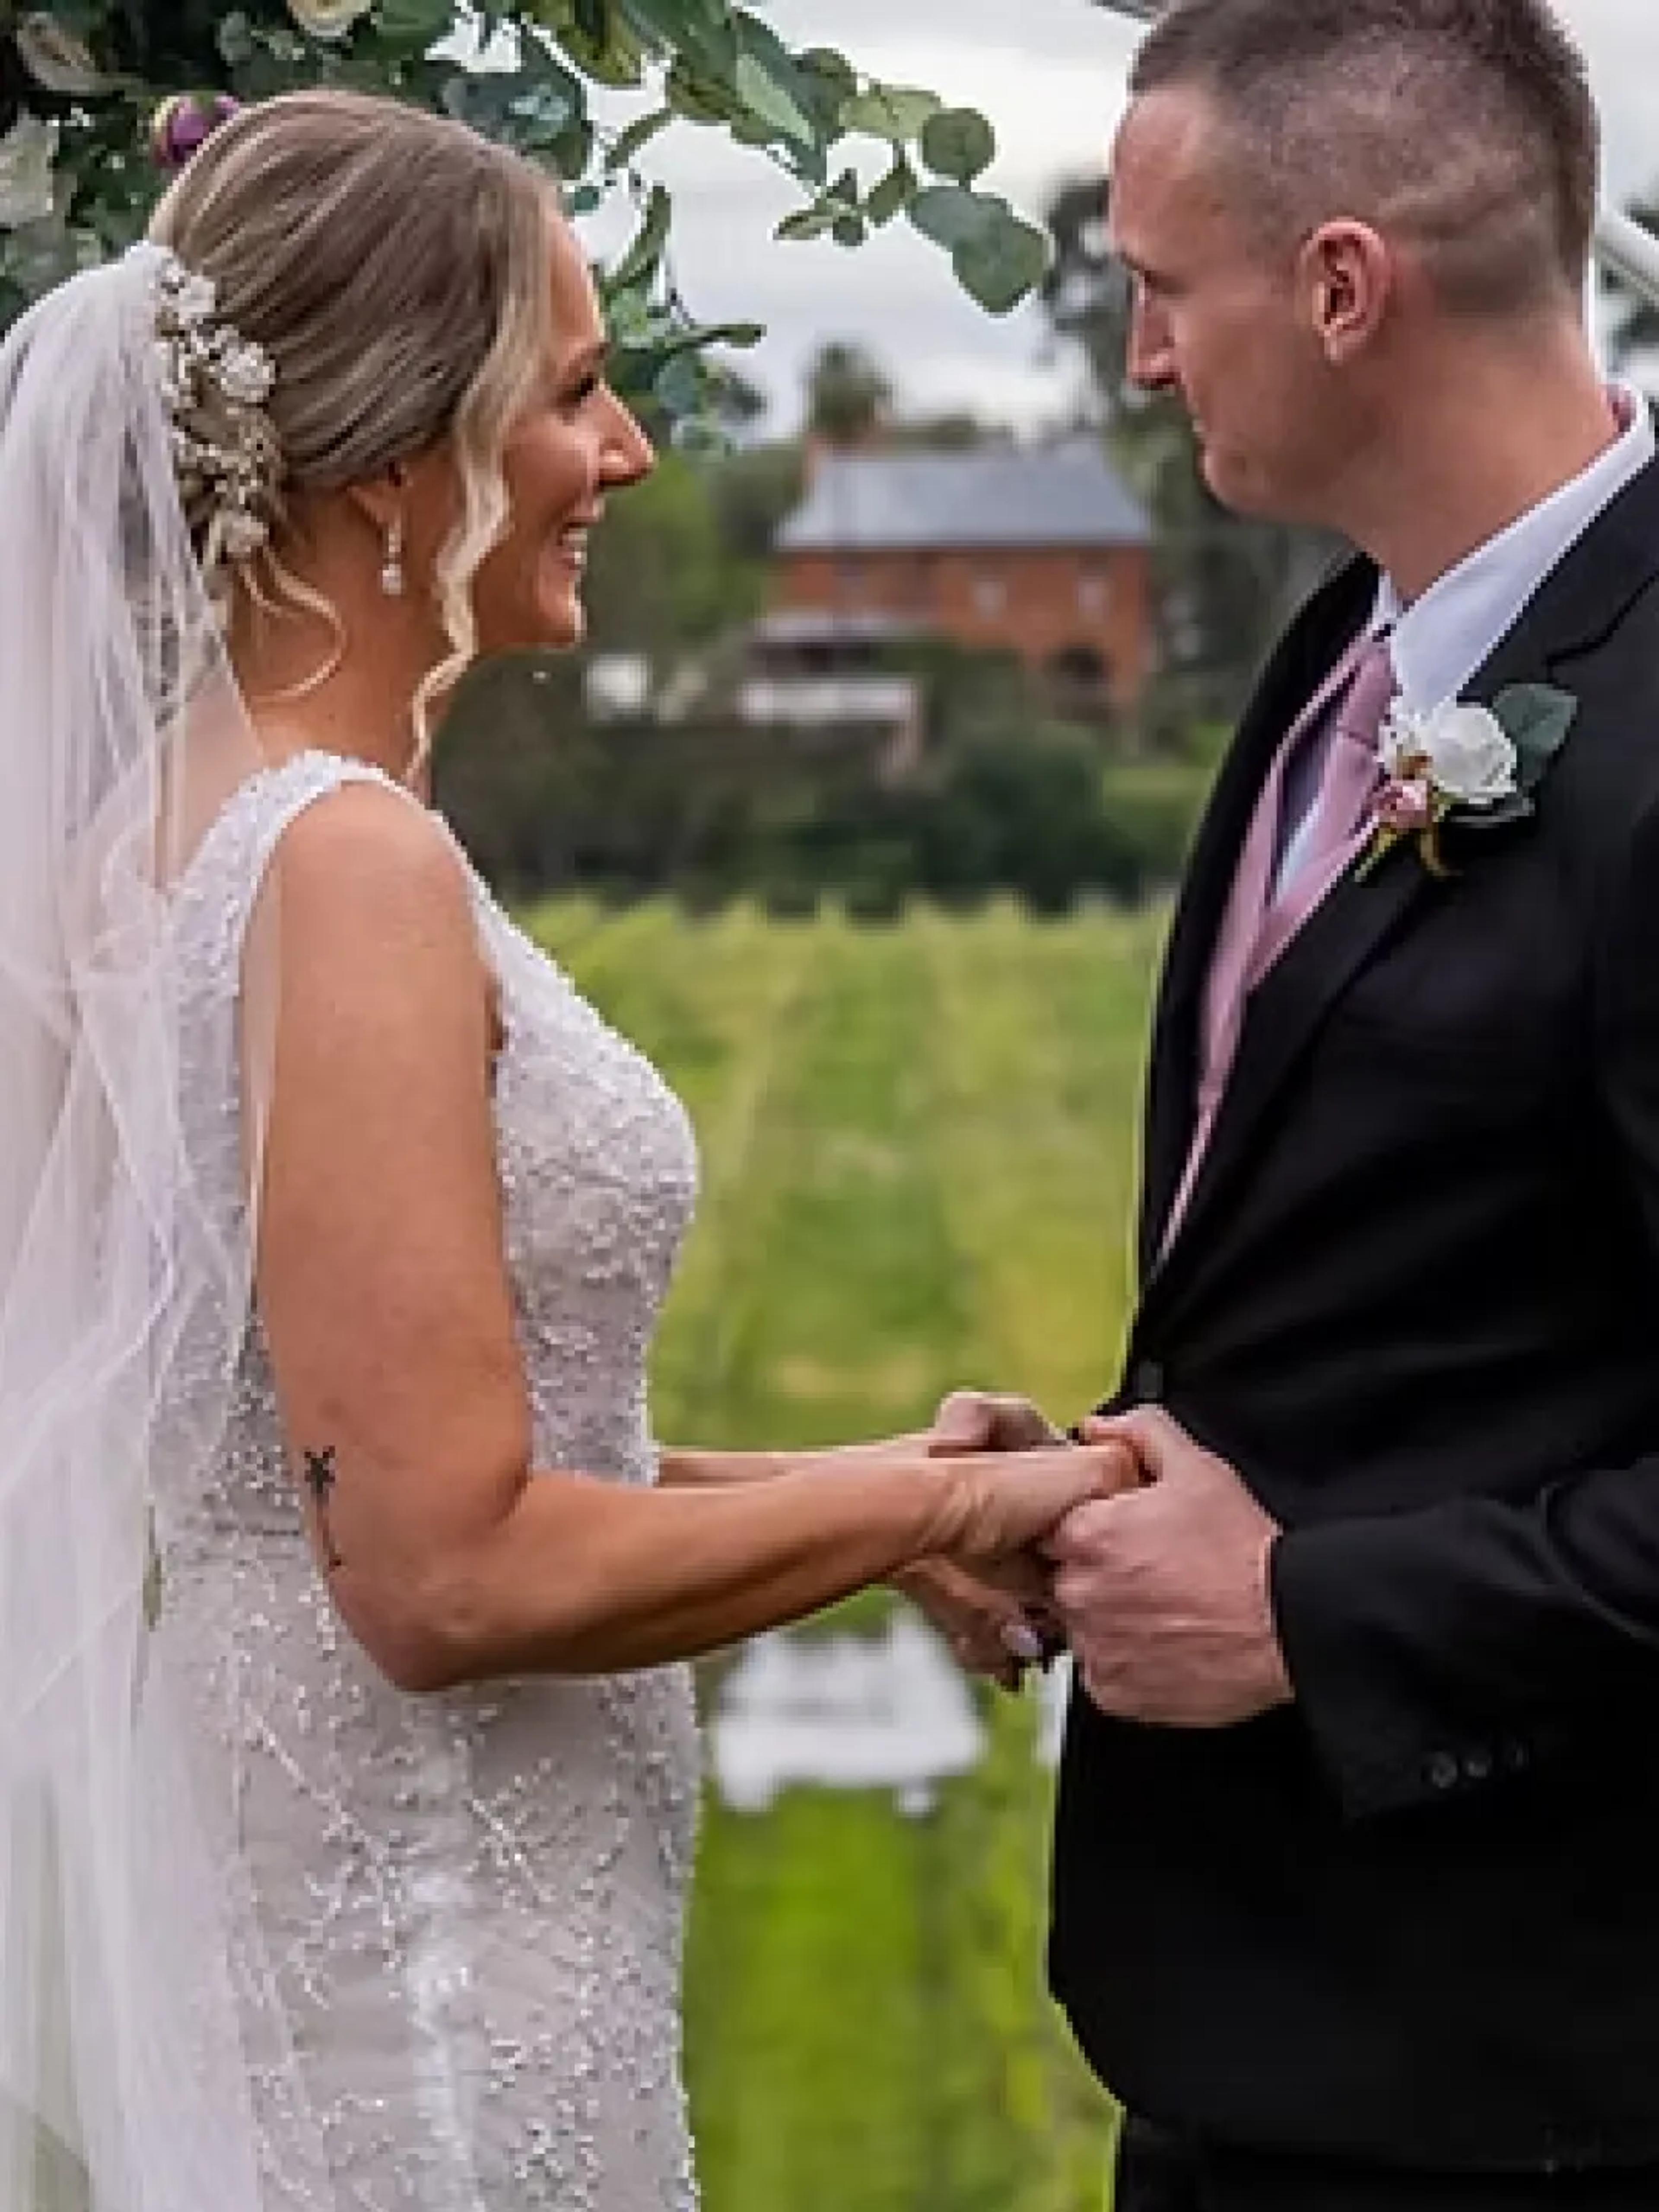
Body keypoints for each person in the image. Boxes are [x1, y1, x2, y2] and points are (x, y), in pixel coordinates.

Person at [0, 88, 1128, 2212]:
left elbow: (359, 1451)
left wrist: (882, 1505)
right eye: (578, 395)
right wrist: (964, 1484)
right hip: (428, 1971)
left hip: (362, 1905)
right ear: (398, 455)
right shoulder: (341, 868)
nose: (627, 457)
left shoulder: (150, 832)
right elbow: (439, 1568)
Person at [947, 1, 1659, 2205]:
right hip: (1272, 2027)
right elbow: (1403, 1288)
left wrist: (1310, 1611)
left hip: (1547, 2072)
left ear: (1345, 286)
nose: (1141, 358)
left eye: (1162, 290)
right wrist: (1106, 1483)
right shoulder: (1345, 656)